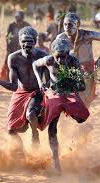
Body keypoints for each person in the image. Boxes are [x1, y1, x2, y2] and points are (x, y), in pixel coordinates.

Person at [33, 38, 90, 173]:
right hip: (54, 94)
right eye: (57, 57)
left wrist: (73, 85)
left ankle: (73, 144)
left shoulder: (73, 61)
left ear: (68, 54)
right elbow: (35, 65)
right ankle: (56, 161)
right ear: (53, 54)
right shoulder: (49, 60)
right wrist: (40, 82)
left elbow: (81, 85)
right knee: (52, 127)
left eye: (63, 57)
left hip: (69, 93)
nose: (59, 60)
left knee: (82, 118)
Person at [0, 26, 47, 153]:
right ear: (19, 42)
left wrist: (47, 89)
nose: (26, 44)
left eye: (30, 41)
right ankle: (21, 153)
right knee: (11, 130)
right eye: (23, 41)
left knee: (31, 114)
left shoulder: (43, 56)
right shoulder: (13, 58)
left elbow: (49, 80)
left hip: (37, 92)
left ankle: (34, 135)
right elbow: (14, 86)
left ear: (35, 42)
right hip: (20, 93)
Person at [57, 12, 100, 107]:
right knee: (72, 97)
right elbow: (55, 54)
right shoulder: (61, 38)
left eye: (70, 24)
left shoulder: (87, 35)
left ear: (77, 25)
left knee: (86, 98)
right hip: (70, 69)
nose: (67, 27)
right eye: (65, 24)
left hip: (87, 69)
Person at [0, 11, 30, 81]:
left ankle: (21, 78)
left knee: (22, 62)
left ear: (22, 18)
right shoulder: (11, 25)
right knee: (8, 61)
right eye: (16, 18)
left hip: (22, 48)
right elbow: (7, 37)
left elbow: (30, 35)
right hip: (12, 47)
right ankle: (6, 78)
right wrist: (8, 48)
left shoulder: (27, 25)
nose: (18, 20)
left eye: (20, 19)